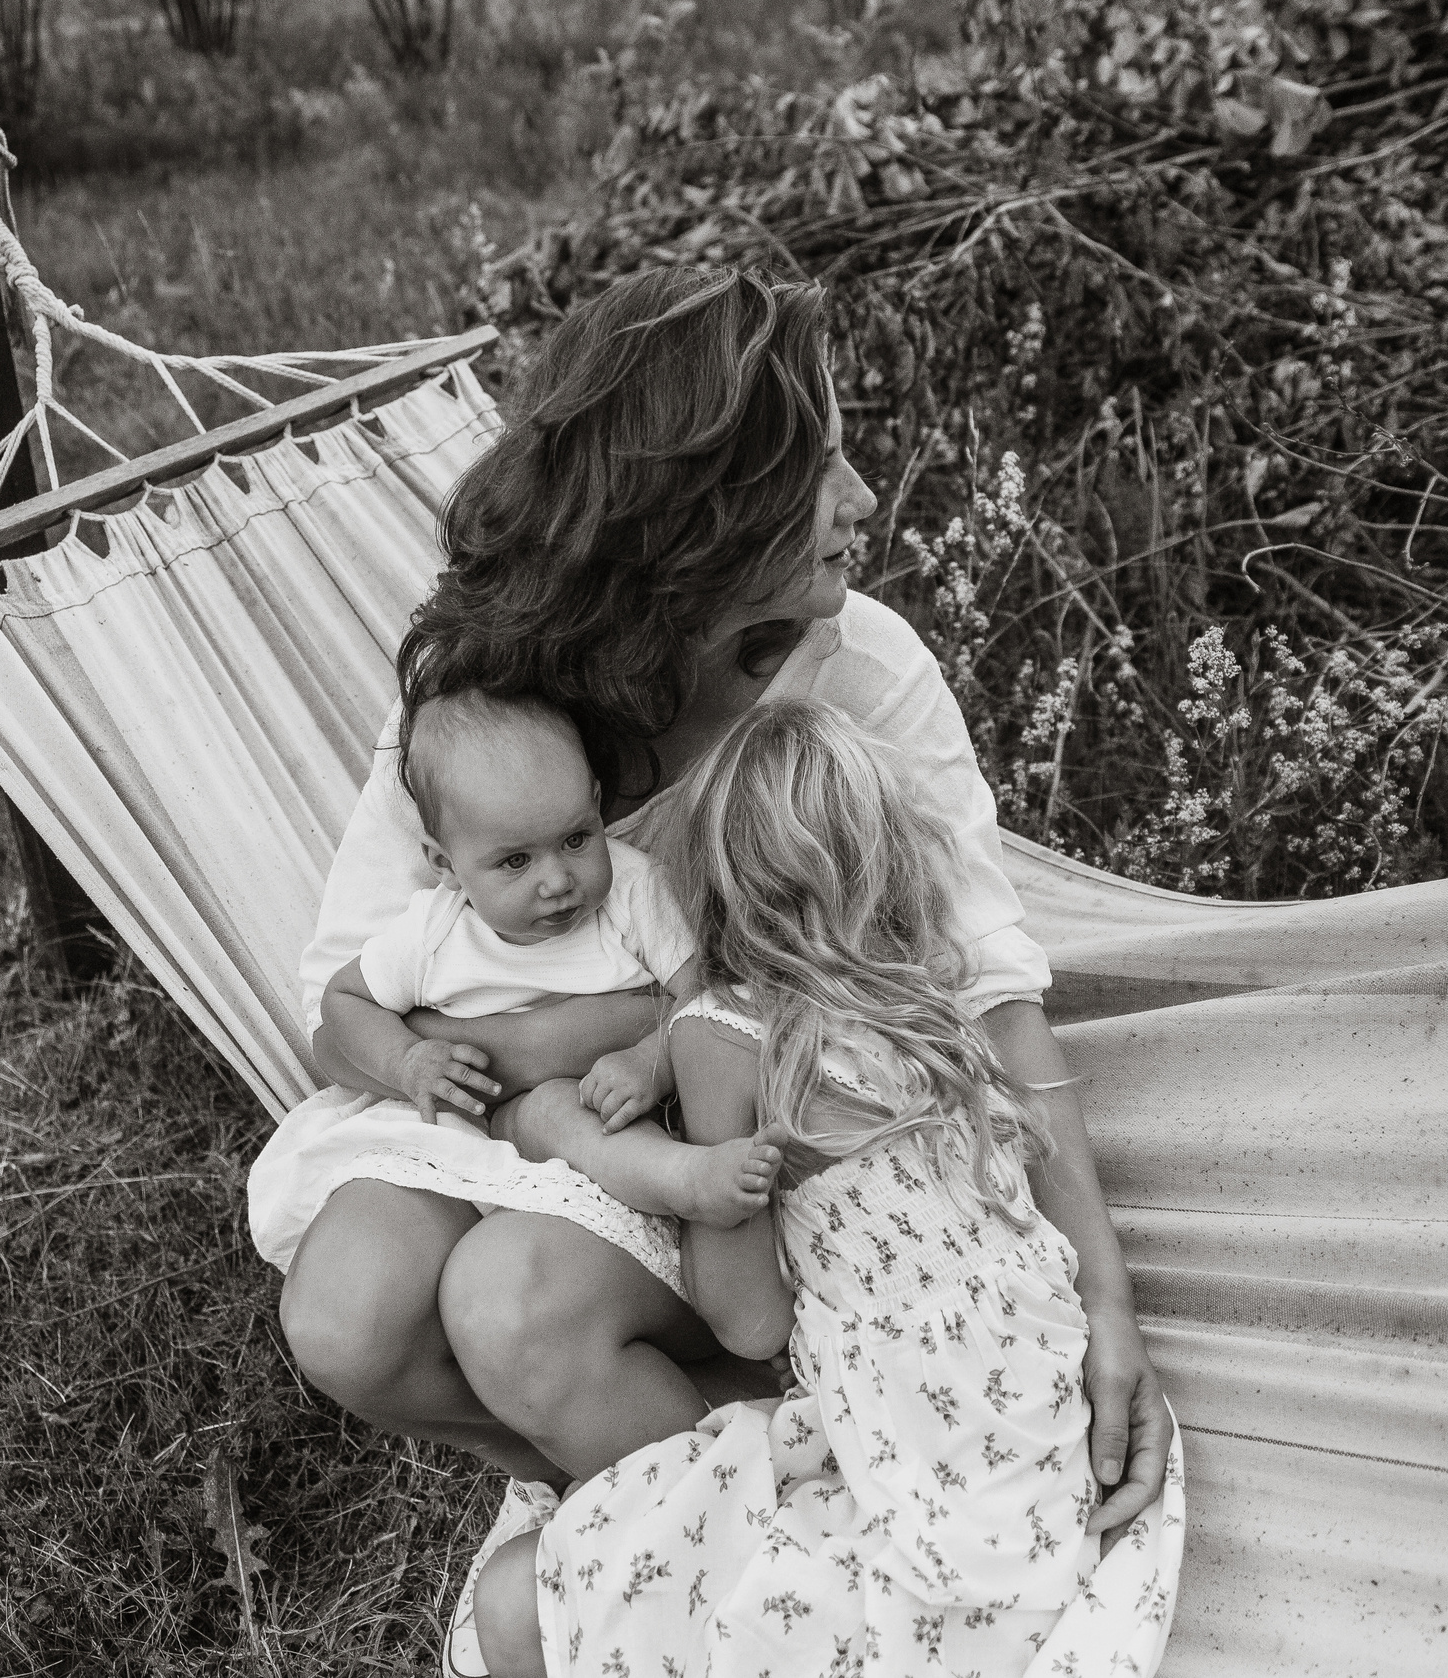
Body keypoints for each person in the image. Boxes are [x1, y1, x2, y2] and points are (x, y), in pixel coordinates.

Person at [267, 266, 1172, 1675]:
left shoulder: (860, 672)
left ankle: (749, 1535)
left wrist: (1105, 1307)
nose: (866, 498)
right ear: (692, 529)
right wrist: (614, 1040)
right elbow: (346, 1000)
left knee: (511, 1299)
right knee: (345, 1309)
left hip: (758, 1156)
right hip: (560, 1113)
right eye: (817, 469)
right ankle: (663, 1488)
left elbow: (997, 997)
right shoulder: (496, 711)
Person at [467, 698, 1184, 1677]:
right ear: (891, 854)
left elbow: (748, 1324)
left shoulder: (726, 1032)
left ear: (711, 888)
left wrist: (669, 1155)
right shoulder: (948, 1001)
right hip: (1036, 1440)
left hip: (908, 1448)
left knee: (532, 1596)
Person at [249, 687, 786, 1282]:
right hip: (492, 1137)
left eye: (576, 839)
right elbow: (342, 1002)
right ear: (446, 864)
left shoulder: (636, 895)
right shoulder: (434, 932)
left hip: (623, 1114)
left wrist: (650, 1060)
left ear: (596, 805)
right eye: (515, 862)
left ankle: (684, 1182)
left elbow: (707, 995)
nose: (557, 880)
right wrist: (405, 1061)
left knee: (558, 1108)